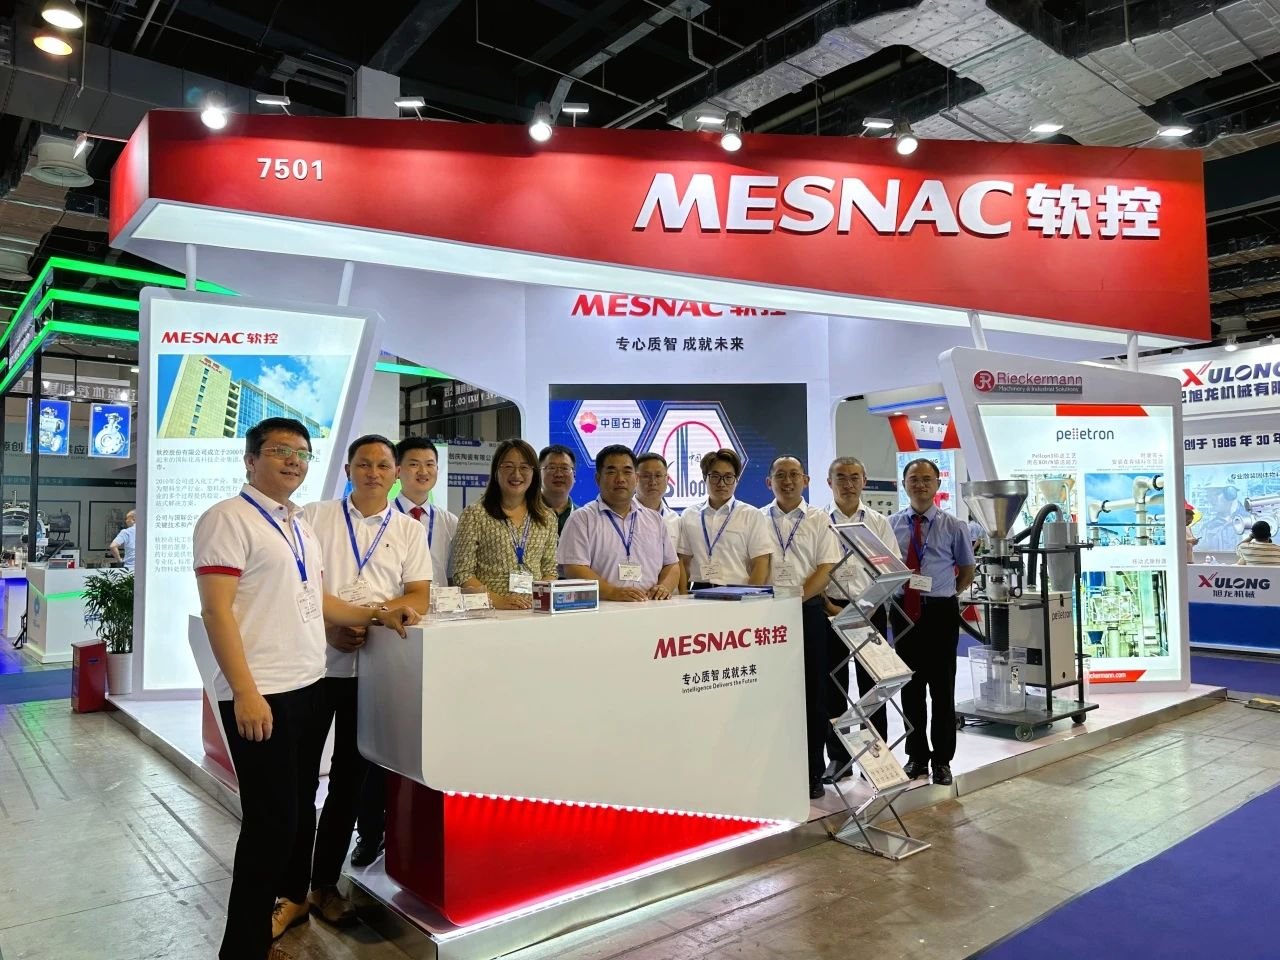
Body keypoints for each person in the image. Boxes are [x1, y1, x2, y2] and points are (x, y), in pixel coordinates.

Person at [193, 417, 418, 960]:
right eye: (279, 451)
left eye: (301, 453)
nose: (293, 460)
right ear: (251, 460)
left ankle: (267, 925)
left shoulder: (296, 524)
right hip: (262, 694)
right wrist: (244, 692)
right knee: (269, 827)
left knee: (290, 817)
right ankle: (241, 949)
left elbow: (319, 602)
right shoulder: (227, 518)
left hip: (307, 684)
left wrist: (378, 615)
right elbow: (217, 611)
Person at [300, 435, 431, 927]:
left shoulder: (408, 530)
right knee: (299, 781)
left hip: (374, 672)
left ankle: (322, 885)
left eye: (382, 465)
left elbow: (418, 594)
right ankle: (288, 887)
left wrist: (375, 615)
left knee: (349, 785)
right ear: (348, 470)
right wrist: (333, 624)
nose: (373, 473)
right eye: (363, 464)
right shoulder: (314, 518)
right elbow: (301, 587)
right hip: (316, 666)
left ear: (395, 474)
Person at [888, 458, 975, 787]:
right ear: (904, 484)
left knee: (942, 688)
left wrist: (945, 592)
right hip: (904, 612)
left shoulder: (954, 526)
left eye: (927, 479)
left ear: (938, 484)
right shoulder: (891, 525)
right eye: (914, 479)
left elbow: (966, 570)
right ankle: (916, 756)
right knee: (910, 687)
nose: (920, 484)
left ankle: (941, 760)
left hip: (940, 612)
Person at [760, 456, 842, 800]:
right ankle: (774, 770)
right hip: (766, 614)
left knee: (813, 694)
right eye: (780, 475)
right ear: (769, 482)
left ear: (806, 480)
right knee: (770, 693)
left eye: (794, 475)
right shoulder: (758, 518)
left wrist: (800, 597)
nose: (788, 481)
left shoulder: (819, 519)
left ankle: (812, 772)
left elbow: (827, 566)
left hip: (807, 611)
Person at [824, 456, 901, 753]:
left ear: (864, 482)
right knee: (834, 685)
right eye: (841, 478)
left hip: (871, 608)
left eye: (854, 477)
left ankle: (876, 751)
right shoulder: (820, 520)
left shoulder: (878, 522)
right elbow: (813, 567)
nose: (848, 484)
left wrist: (868, 605)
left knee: (873, 684)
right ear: (829, 482)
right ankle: (838, 755)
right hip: (831, 608)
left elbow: (892, 570)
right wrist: (829, 606)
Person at [559, 445, 680, 600]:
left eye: (627, 472)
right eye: (611, 472)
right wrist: (612, 592)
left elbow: (672, 564)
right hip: (604, 608)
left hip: (650, 606)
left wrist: (663, 587)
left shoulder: (655, 519)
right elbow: (574, 568)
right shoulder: (581, 519)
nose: (620, 479)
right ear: (598, 478)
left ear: (636, 478)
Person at [453, 439, 559, 608]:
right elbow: (463, 574)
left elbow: (549, 570)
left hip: (533, 611)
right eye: (508, 466)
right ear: (496, 471)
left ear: (534, 473)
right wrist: (498, 601)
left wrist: (538, 600)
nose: (516, 474)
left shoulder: (546, 517)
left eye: (524, 467)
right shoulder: (475, 515)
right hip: (490, 612)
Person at [678, 449, 771, 589]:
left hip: (738, 591)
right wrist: (683, 595)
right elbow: (683, 561)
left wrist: (750, 596)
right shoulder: (689, 515)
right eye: (715, 476)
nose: (722, 483)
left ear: (736, 480)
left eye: (728, 477)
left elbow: (760, 563)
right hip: (698, 591)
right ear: (704, 478)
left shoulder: (752, 515)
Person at [393, 437, 459, 588]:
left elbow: (453, 574)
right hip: (396, 600)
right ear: (397, 470)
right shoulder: (385, 517)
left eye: (430, 464)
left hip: (439, 600)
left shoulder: (449, 522)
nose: (423, 471)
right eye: (414, 464)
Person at [635, 451, 682, 592]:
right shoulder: (622, 516)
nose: (653, 482)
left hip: (669, 597)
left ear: (667, 479)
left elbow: (679, 562)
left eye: (658, 475)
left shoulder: (675, 519)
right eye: (646, 476)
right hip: (634, 594)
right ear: (635, 478)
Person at [539, 444, 577, 535]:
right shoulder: (524, 513)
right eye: (552, 468)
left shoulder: (583, 517)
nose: (558, 474)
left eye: (565, 468)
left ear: (574, 476)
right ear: (538, 474)